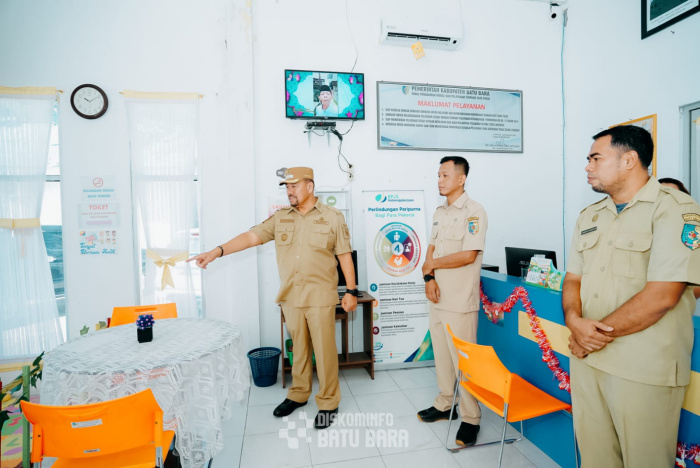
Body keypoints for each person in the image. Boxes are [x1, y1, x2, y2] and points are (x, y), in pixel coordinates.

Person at [563, 125, 700, 467]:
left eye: (596, 158)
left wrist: (590, 335)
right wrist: (574, 321)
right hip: (588, 362)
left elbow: (663, 296)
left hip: (642, 368)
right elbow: (573, 279)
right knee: (595, 459)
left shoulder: (675, 209)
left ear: (629, 160)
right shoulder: (591, 216)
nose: (588, 166)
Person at [188, 167, 357, 429]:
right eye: (286, 187)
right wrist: (217, 251)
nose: (289, 191)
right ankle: (299, 394)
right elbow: (250, 237)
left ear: (310, 186)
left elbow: (344, 254)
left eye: (294, 186)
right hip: (291, 296)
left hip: (320, 296)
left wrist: (351, 291)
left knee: (324, 352)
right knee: (298, 350)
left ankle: (328, 403)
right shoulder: (281, 218)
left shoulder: (332, 217)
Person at [418, 156, 488, 447]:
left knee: (464, 363)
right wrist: (428, 278)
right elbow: (431, 248)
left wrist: (432, 264)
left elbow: (468, 255)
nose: (440, 180)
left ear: (462, 179)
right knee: (443, 357)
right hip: (437, 296)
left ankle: (471, 418)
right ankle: (446, 403)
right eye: (438, 175)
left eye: (445, 175)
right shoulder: (440, 212)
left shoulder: (474, 212)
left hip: (460, 301)